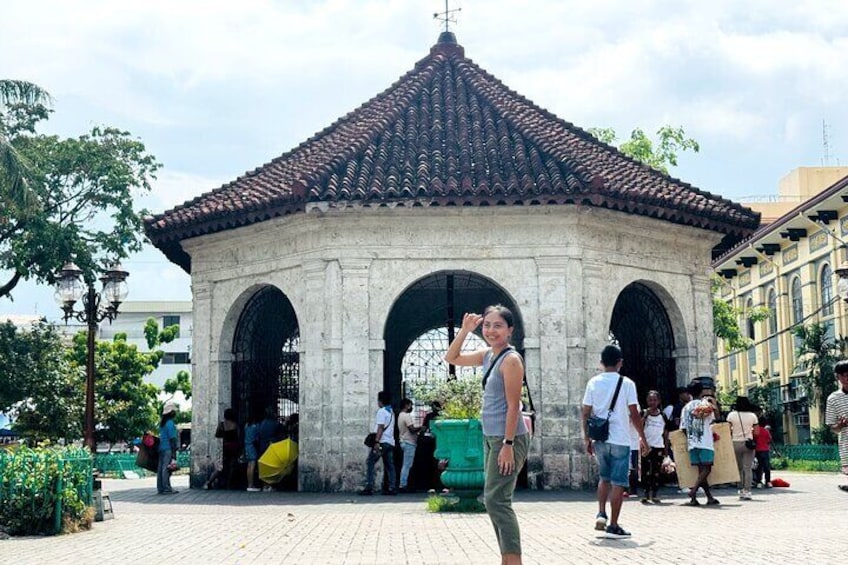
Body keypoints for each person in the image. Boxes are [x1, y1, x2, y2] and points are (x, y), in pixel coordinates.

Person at [445, 305, 530, 564]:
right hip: (491, 437)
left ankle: (513, 560)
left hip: (507, 439)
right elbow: (452, 358)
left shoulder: (511, 360)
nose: (491, 331)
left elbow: (513, 405)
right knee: (495, 500)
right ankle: (507, 558)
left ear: (510, 330)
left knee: (497, 501)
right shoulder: (488, 356)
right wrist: (465, 331)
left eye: (498, 326)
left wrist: (507, 444)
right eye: (487, 325)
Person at [581, 344, 647, 539]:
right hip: (620, 439)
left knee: (604, 478)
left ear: (601, 362)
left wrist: (586, 438)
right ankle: (614, 525)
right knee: (619, 482)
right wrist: (643, 438)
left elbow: (585, 412)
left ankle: (601, 513)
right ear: (620, 363)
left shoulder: (593, 382)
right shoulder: (627, 383)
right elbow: (634, 413)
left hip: (600, 439)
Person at [679, 380, 720, 506]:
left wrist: (691, 438)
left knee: (700, 471)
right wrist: (715, 404)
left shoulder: (685, 408)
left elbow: (683, 427)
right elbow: (716, 418)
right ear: (702, 391)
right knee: (707, 468)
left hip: (692, 442)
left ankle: (706, 497)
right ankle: (694, 490)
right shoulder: (705, 404)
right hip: (705, 441)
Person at [360, 390, 397, 496]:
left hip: (382, 442)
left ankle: (369, 486)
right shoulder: (391, 412)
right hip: (390, 442)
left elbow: (380, 427)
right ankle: (392, 487)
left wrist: (376, 442)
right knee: (390, 465)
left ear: (380, 401)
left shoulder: (381, 412)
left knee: (370, 462)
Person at [727, 396, 759, 500]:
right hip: (748, 443)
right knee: (747, 468)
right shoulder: (752, 416)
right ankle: (748, 491)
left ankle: (740, 489)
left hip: (735, 442)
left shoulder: (731, 415)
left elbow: (728, 430)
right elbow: (757, 432)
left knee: (739, 468)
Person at [640, 391, 668, 503]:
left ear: (659, 401)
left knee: (656, 471)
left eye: (655, 400)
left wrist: (666, 450)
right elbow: (639, 427)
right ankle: (646, 494)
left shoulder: (662, 416)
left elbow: (666, 433)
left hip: (658, 446)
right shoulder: (643, 414)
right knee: (645, 470)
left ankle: (655, 493)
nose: (652, 402)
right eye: (650, 400)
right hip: (646, 446)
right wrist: (645, 416)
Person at [825, 359, 848, 492]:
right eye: (842, 375)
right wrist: (840, 425)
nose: (846, 378)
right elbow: (833, 428)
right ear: (837, 377)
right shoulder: (833, 398)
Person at [209, 408, 240, 489]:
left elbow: (217, 435)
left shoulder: (221, 424)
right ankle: (229, 484)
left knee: (220, 467)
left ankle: (209, 481)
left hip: (223, 447)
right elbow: (238, 437)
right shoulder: (235, 424)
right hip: (233, 447)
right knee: (232, 466)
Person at [397, 398, 419, 493]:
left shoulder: (400, 415)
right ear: (406, 405)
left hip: (403, 441)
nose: (411, 407)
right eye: (410, 405)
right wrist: (420, 428)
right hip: (409, 442)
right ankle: (403, 485)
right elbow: (412, 429)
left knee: (406, 464)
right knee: (407, 465)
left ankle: (404, 483)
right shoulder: (406, 416)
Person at [157, 402, 179, 495]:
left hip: (161, 448)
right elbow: (172, 439)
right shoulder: (170, 423)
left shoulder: (162, 423)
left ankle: (161, 488)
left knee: (161, 468)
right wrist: (174, 453)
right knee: (166, 469)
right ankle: (167, 488)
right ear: (171, 412)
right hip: (168, 448)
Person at [753, 416, 772, 488]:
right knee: (766, 466)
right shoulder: (766, 431)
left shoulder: (755, 431)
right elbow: (769, 440)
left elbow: (753, 439)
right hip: (765, 450)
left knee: (759, 467)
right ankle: (768, 482)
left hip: (757, 450)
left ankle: (758, 482)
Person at [244, 411, 261, 492]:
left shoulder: (246, 426)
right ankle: (251, 485)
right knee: (252, 466)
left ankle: (249, 484)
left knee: (249, 466)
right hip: (252, 447)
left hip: (246, 446)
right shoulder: (256, 426)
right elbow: (257, 438)